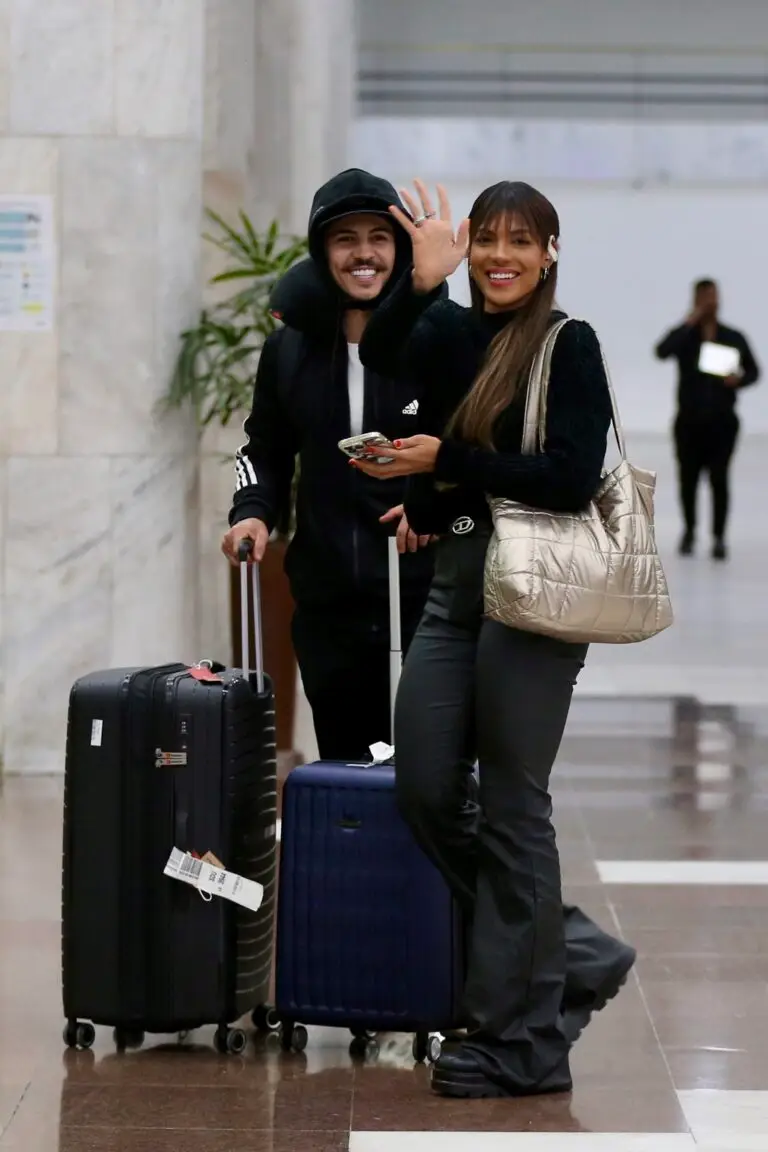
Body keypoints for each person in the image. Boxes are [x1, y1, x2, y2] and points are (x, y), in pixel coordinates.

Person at [354, 179, 636, 1099]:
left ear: (551, 252)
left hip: (538, 597)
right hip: (457, 586)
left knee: (515, 805)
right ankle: (574, 948)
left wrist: (451, 464)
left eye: (523, 242)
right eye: (488, 243)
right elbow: (391, 354)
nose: (502, 257)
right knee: (427, 783)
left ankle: (526, 1042)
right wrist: (417, 285)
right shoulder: (450, 328)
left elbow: (565, 476)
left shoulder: (569, 344)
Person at [221, 169, 436, 760]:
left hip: (423, 596)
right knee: (345, 766)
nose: (363, 253)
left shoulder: (436, 339)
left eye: (379, 237)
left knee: (426, 771)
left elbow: (474, 447)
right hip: (328, 603)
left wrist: (436, 503)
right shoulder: (289, 349)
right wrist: (253, 512)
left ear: (400, 248)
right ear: (322, 252)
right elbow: (262, 447)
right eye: (346, 239)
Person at [655, 279, 759, 561]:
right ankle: (689, 531)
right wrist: (690, 321)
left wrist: (738, 380)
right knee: (687, 480)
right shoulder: (686, 336)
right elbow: (662, 351)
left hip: (722, 422)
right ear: (695, 300)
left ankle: (718, 537)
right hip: (688, 422)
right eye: (704, 297)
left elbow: (754, 371)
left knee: (719, 480)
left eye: (713, 296)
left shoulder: (732, 336)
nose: (710, 302)